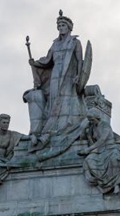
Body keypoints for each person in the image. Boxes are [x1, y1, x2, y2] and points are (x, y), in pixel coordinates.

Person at [26, 11, 86, 142]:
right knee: (54, 98)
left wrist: (79, 75)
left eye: (63, 25)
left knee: (67, 99)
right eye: (59, 26)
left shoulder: (75, 42)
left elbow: (80, 60)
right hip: (55, 74)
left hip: (69, 74)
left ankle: (66, 125)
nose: (60, 28)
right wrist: (35, 63)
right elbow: (48, 60)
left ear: (69, 27)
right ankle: (53, 126)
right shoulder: (55, 44)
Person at [80, 107, 120, 194]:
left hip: (111, 148)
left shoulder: (105, 125)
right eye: (89, 120)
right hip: (100, 151)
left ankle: (115, 184)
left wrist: (88, 150)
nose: (90, 121)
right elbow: (83, 138)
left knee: (113, 160)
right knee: (88, 160)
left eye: (91, 119)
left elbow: (102, 140)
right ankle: (101, 181)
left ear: (96, 117)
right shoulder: (91, 127)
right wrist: (85, 130)